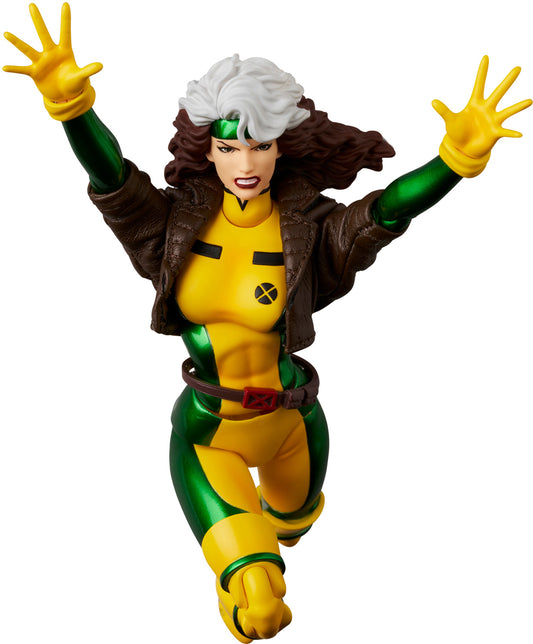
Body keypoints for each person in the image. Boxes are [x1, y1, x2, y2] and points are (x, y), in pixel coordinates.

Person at [4, 4, 531, 642]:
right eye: (228, 147)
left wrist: (451, 161)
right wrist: (74, 109)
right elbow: (112, 179)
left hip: (293, 421)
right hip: (210, 430)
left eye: (260, 144)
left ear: (283, 145)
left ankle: (284, 522)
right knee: (259, 594)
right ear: (208, 150)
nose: (245, 162)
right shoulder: (172, 227)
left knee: (296, 522)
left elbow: (383, 214)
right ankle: (251, 575)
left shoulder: (307, 231)